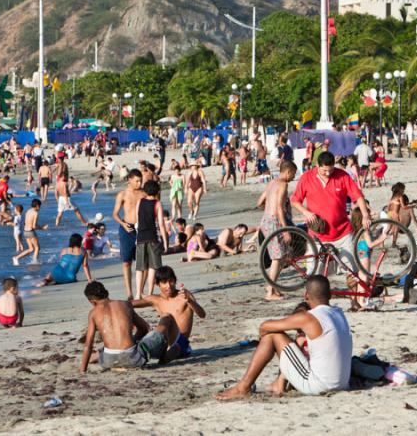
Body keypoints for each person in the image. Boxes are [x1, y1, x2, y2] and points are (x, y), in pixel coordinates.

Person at [216, 275, 352, 399]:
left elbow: (264, 327)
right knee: (281, 339)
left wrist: (268, 341)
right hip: (342, 383)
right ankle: (276, 382)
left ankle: (243, 387)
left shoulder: (309, 318)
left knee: (273, 335)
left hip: (319, 385)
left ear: (306, 295)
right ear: (330, 295)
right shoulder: (339, 314)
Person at [291, 151, 370, 277]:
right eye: (324, 171)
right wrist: (306, 212)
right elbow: (295, 200)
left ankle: (355, 297)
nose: (328, 173)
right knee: (314, 275)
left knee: (352, 273)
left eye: (331, 170)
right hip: (317, 235)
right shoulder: (306, 177)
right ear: (317, 165)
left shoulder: (342, 176)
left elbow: (358, 196)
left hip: (343, 233)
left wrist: (365, 215)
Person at [80, 281, 177, 372]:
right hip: (133, 358)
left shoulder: (93, 313)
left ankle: (96, 357)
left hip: (108, 360)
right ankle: (165, 357)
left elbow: (88, 345)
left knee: (106, 349)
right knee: (166, 318)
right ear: (107, 293)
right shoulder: (125, 304)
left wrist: (82, 371)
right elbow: (144, 328)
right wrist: (133, 341)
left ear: (92, 302)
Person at [131, 266, 206, 360]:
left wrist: (190, 301)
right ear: (157, 284)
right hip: (163, 340)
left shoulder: (183, 295)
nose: (168, 286)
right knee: (136, 320)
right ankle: (131, 350)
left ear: (175, 281)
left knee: (167, 318)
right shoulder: (155, 299)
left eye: (171, 281)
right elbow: (128, 304)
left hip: (179, 342)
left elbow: (202, 314)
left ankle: (148, 351)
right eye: (164, 282)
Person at [257, 161, 297, 300]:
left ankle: (272, 286)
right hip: (275, 222)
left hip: (266, 220)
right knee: (277, 257)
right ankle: (270, 293)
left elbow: (259, 202)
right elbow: (279, 208)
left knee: (284, 254)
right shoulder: (283, 184)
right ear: (288, 172)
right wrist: (285, 230)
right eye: (293, 174)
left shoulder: (272, 182)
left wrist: (268, 209)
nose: (293, 177)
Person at [113, 169, 144, 299]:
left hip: (141, 229)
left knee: (141, 262)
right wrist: (123, 224)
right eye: (137, 180)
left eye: (140, 180)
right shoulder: (122, 194)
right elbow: (115, 214)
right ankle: (129, 293)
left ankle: (139, 292)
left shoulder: (143, 194)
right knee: (126, 262)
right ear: (129, 180)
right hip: (126, 228)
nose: (139, 183)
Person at [134, 180, 169, 299]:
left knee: (140, 267)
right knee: (152, 266)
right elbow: (161, 224)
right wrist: (165, 241)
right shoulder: (157, 203)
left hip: (140, 237)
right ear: (157, 191)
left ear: (145, 190)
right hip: (152, 237)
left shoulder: (140, 201)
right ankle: (149, 293)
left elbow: (137, 219)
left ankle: (138, 294)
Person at [12, 199, 48, 265]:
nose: (40, 208)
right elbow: (34, 226)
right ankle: (34, 262)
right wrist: (43, 228)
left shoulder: (28, 211)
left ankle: (16, 258)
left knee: (31, 249)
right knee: (37, 248)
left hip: (25, 231)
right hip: (31, 231)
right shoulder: (35, 213)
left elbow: (27, 222)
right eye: (40, 206)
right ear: (37, 206)